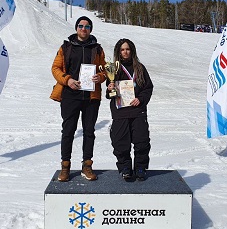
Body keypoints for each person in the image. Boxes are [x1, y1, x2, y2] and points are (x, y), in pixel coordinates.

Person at [50, 16, 106, 182]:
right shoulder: (66, 47)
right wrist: (67, 80)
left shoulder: (97, 49)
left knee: (89, 131)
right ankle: (65, 167)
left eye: (87, 26)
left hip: (91, 97)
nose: (84, 29)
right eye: (81, 26)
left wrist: (101, 77)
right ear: (76, 28)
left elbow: (105, 69)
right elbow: (55, 68)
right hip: (70, 95)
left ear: (90, 29)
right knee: (68, 131)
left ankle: (87, 166)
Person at [106, 38, 153, 181]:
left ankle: (140, 167)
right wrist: (110, 89)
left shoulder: (139, 67)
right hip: (120, 111)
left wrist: (141, 99)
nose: (125, 52)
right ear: (118, 52)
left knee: (141, 141)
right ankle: (125, 167)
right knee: (120, 141)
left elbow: (148, 88)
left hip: (138, 110)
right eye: (122, 49)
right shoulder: (113, 68)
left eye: (127, 49)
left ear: (131, 50)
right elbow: (109, 94)